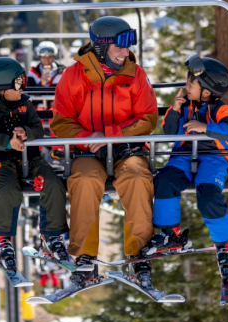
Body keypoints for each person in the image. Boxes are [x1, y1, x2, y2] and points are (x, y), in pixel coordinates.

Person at [51, 16, 158, 287]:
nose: (126, 52)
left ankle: (139, 254)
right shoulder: (74, 76)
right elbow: (61, 122)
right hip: (86, 150)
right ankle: (85, 257)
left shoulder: (135, 74)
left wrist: (111, 135)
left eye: (128, 45)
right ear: (101, 47)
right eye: (120, 46)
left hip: (126, 146)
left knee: (136, 177)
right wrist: (88, 138)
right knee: (84, 181)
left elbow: (147, 118)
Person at [141, 54, 228, 278]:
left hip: (213, 157)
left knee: (208, 195)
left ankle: (224, 243)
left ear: (207, 91)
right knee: (164, 181)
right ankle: (170, 233)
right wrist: (176, 109)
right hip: (183, 156)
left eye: (191, 83)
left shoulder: (221, 110)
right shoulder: (185, 107)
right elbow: (170, 132)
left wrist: (205, 126)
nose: (186, 86)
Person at [0, 57, 69, 268]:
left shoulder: (25, 105)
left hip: (30, 158)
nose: (22, 87)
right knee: (8, 189)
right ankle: (1, 240)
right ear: (1, 88)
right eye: (18, 83)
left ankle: (52, 235)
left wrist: (26, 133)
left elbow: (37, 128)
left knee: (52, 183)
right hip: (1, 160)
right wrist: (6, 142)